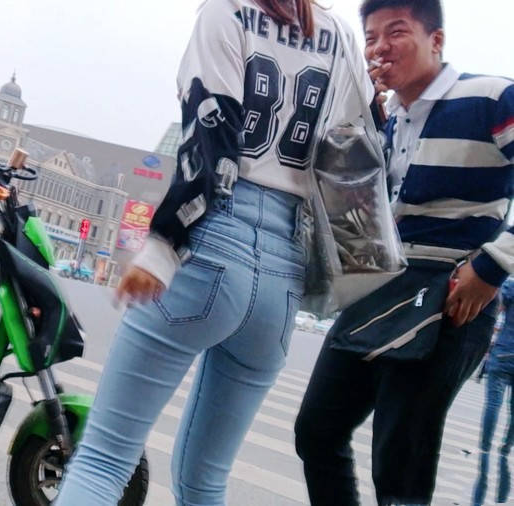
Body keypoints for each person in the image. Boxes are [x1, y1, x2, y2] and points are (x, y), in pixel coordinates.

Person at [55, 0, 373, 504]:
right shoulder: (339, 35)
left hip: (213, 240)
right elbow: (357, 147)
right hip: (284, 274)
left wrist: (162, 248)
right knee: (204, 481)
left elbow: (210, 139)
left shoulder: (227, 12)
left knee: (103, 459)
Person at [294, 1, 514, 504]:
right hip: (380, 288)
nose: (379, 48)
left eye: (396, 32)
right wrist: (358, 121)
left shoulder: (490, 96)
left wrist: (493, 266)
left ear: (436, 40)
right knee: (317, 432)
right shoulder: (386, 119)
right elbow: (355, 207)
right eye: (370, 37)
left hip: (452, 294)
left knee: (400, 465)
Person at [473, 278, 514, 506]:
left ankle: (485, 446)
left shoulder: (511, 285)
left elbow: (497, 306)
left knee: (493, 403)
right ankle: (506, 447)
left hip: (504, 351)